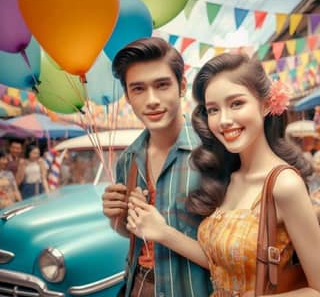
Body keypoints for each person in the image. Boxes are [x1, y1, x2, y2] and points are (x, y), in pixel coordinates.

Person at [127, 53, 320, 296]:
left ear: (266, 104)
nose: (224, 120)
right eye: (213, 110)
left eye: (236, 103)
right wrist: (163, 233)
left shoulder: (284, 184)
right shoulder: (228, 176)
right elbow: (221, 263)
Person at [102, 37, 211, 297]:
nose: (151, 100)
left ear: (181, 86)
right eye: (138, 89)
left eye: (162, 85)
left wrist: (165, 232)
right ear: (128, 96)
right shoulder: (128, 160)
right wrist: (115, 217)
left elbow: (236, 252)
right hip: (139, 286)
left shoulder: (212, 153)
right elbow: (133, 234)